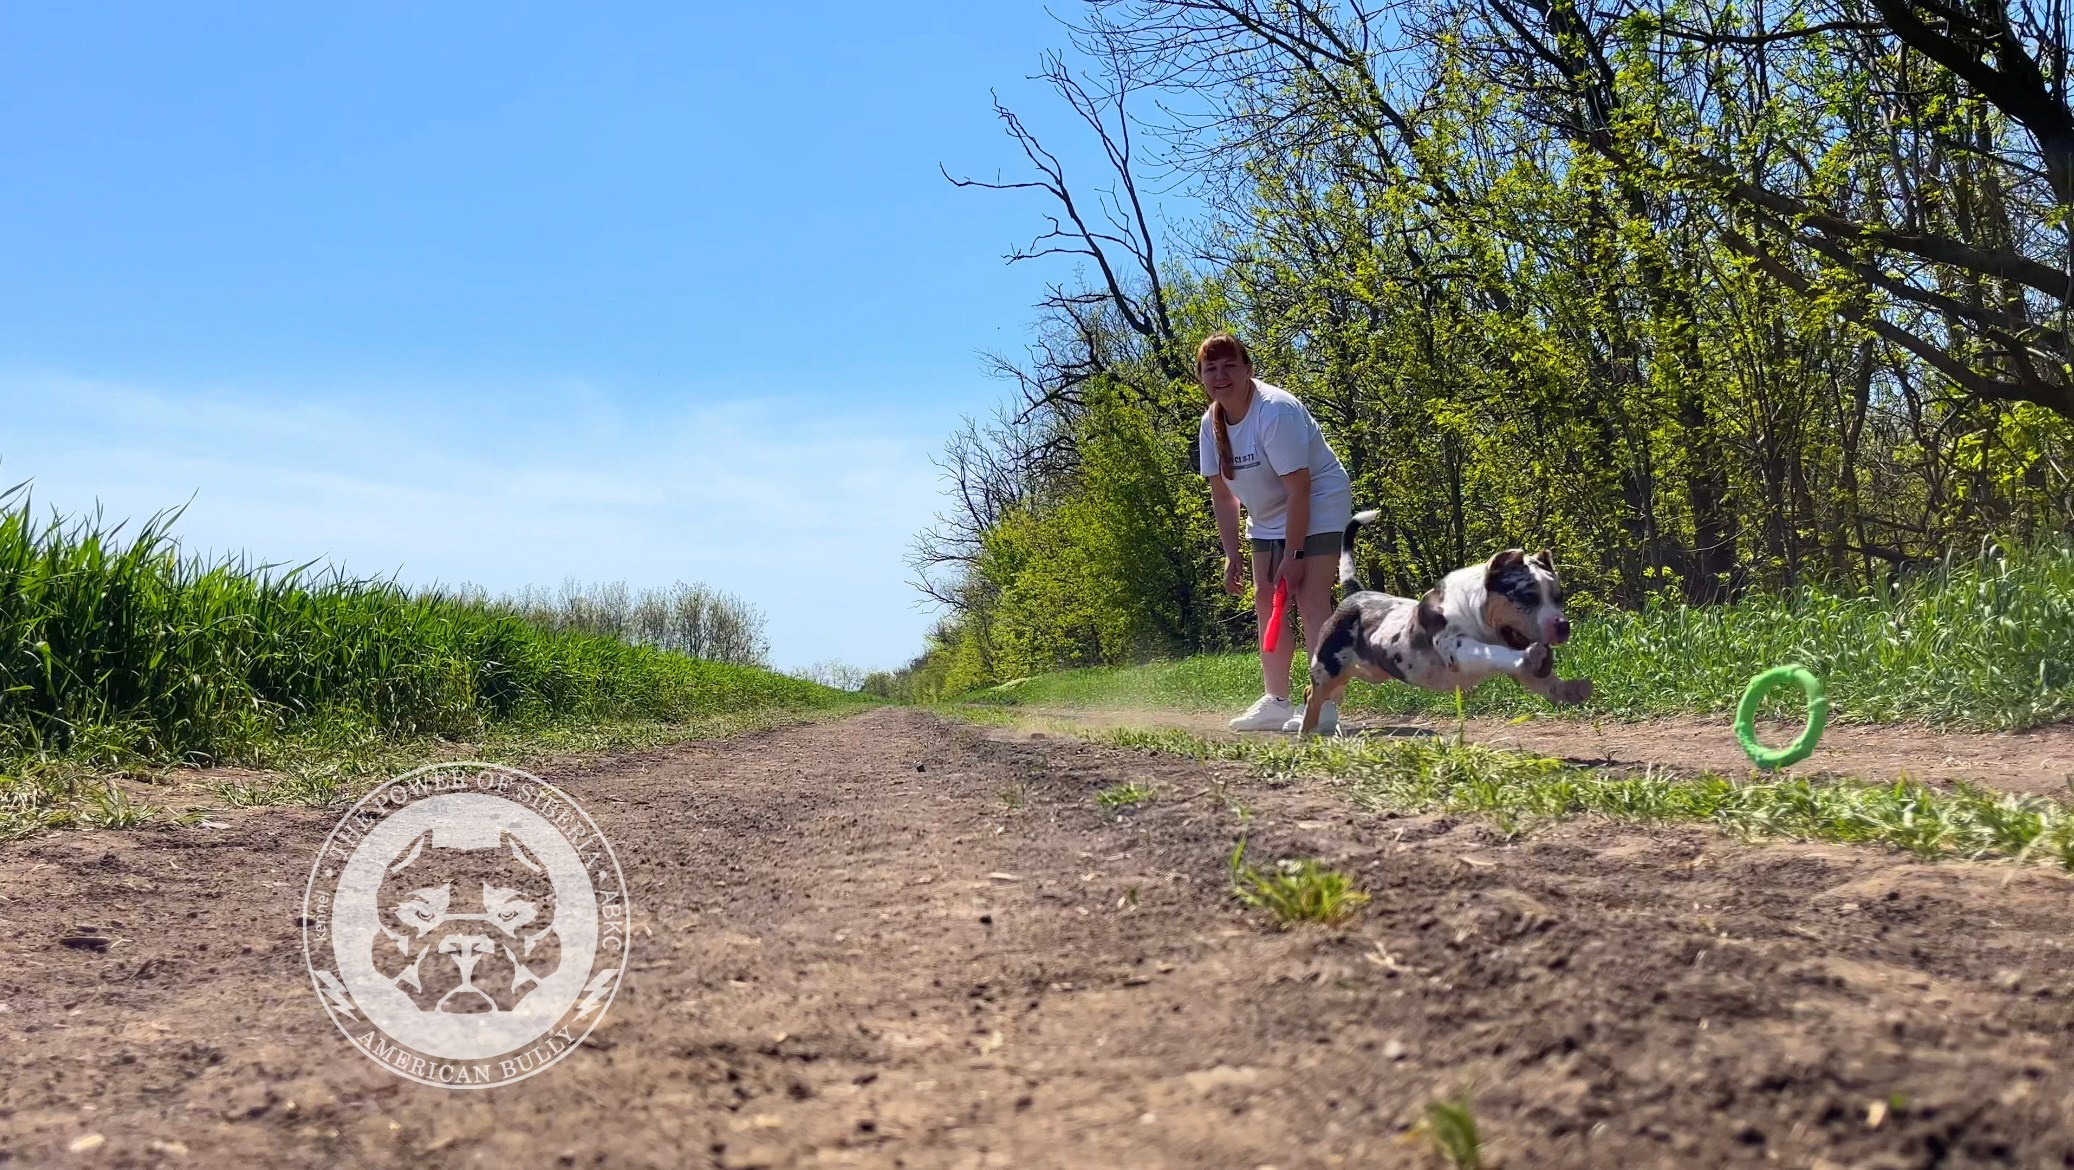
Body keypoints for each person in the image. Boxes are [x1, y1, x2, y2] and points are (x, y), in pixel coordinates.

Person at [1195, 333, 1355, 733]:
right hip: (1268, 515)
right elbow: (1223, 497)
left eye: (1230, 365)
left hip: (1317, 502)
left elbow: (1299, 489)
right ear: (1201, 377)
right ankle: (1276, 701)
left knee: (1308, 594)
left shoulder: (1275, 412)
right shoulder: (1210, 425)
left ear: (1248, 369)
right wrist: (1232, 554)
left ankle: (1324, 705)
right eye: (1210, 368)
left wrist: (1295, 556)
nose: (1221, 375)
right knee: (1266, 598)